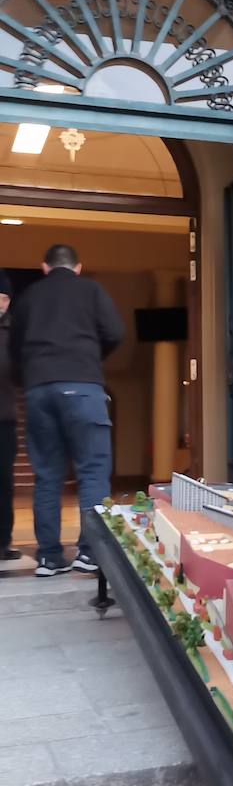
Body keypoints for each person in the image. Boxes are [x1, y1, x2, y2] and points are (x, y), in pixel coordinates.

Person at [10, 245, 124, 577]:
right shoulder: (90, 289)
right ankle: (89, 553)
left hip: (39, 390)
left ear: (44, 267)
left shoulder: (29, 296)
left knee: (47, 475)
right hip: (82, 386)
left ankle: (48, 557)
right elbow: (115, 332)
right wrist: (88, 360)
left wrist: (30, 377)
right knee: (92, 470)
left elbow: (15, 345)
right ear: (77, 267)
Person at [0, 270, 21, 564]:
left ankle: (4, 541)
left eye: (4, 298)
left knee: (4, 481)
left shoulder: (14, 332)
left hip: (5, 417)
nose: (1, 304)